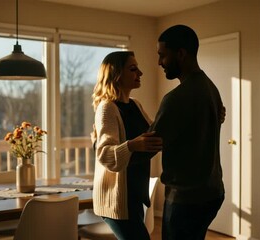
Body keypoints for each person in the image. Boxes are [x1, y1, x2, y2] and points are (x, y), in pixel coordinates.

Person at [149, 25, 225, 240]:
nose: (159, 63)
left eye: (162, 55)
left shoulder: (176, 98)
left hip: (186, 197)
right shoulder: (211, 88)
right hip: (212, 191)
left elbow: (150, 144)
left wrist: (112, 151)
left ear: (180, 54)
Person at [92, 51, 163, 240]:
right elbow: (105, 155)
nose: (140, 73)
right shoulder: (107, 108)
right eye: (133, 69)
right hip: (116, 200)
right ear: (116, 75)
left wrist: (209, 114)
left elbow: (156, 133)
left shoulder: (135, 105)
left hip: (134, 195)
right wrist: (131, 145)